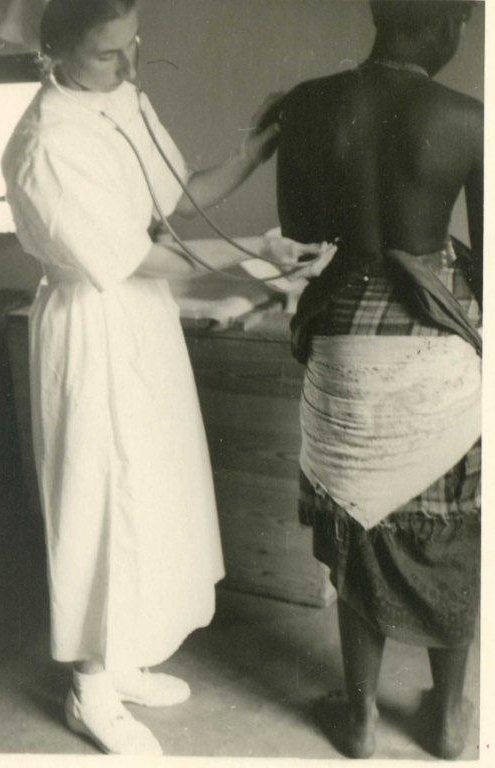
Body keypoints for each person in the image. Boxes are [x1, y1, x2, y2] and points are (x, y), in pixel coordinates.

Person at [1, 0, 334, 756]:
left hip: (142, 320)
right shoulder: (46, 144)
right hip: (90, 330)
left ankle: (120, 660)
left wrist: (251, 152)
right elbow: (139, 255)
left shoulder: (121, 97)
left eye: (134, 45)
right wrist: (258, 250)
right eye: (107, 53)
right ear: (53, 53)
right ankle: (88, 687)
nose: (128, 65)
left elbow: (174, 200)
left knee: (147, 494)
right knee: (98, 501)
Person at [276, 0, 482, 760]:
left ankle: (359, 721)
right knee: (451, 532)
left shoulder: (308, 105)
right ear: (443, 25)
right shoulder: (470, 118)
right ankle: (449, 719)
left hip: (342, 337)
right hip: (433, 347)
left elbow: (301, 230)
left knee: (358, 523)